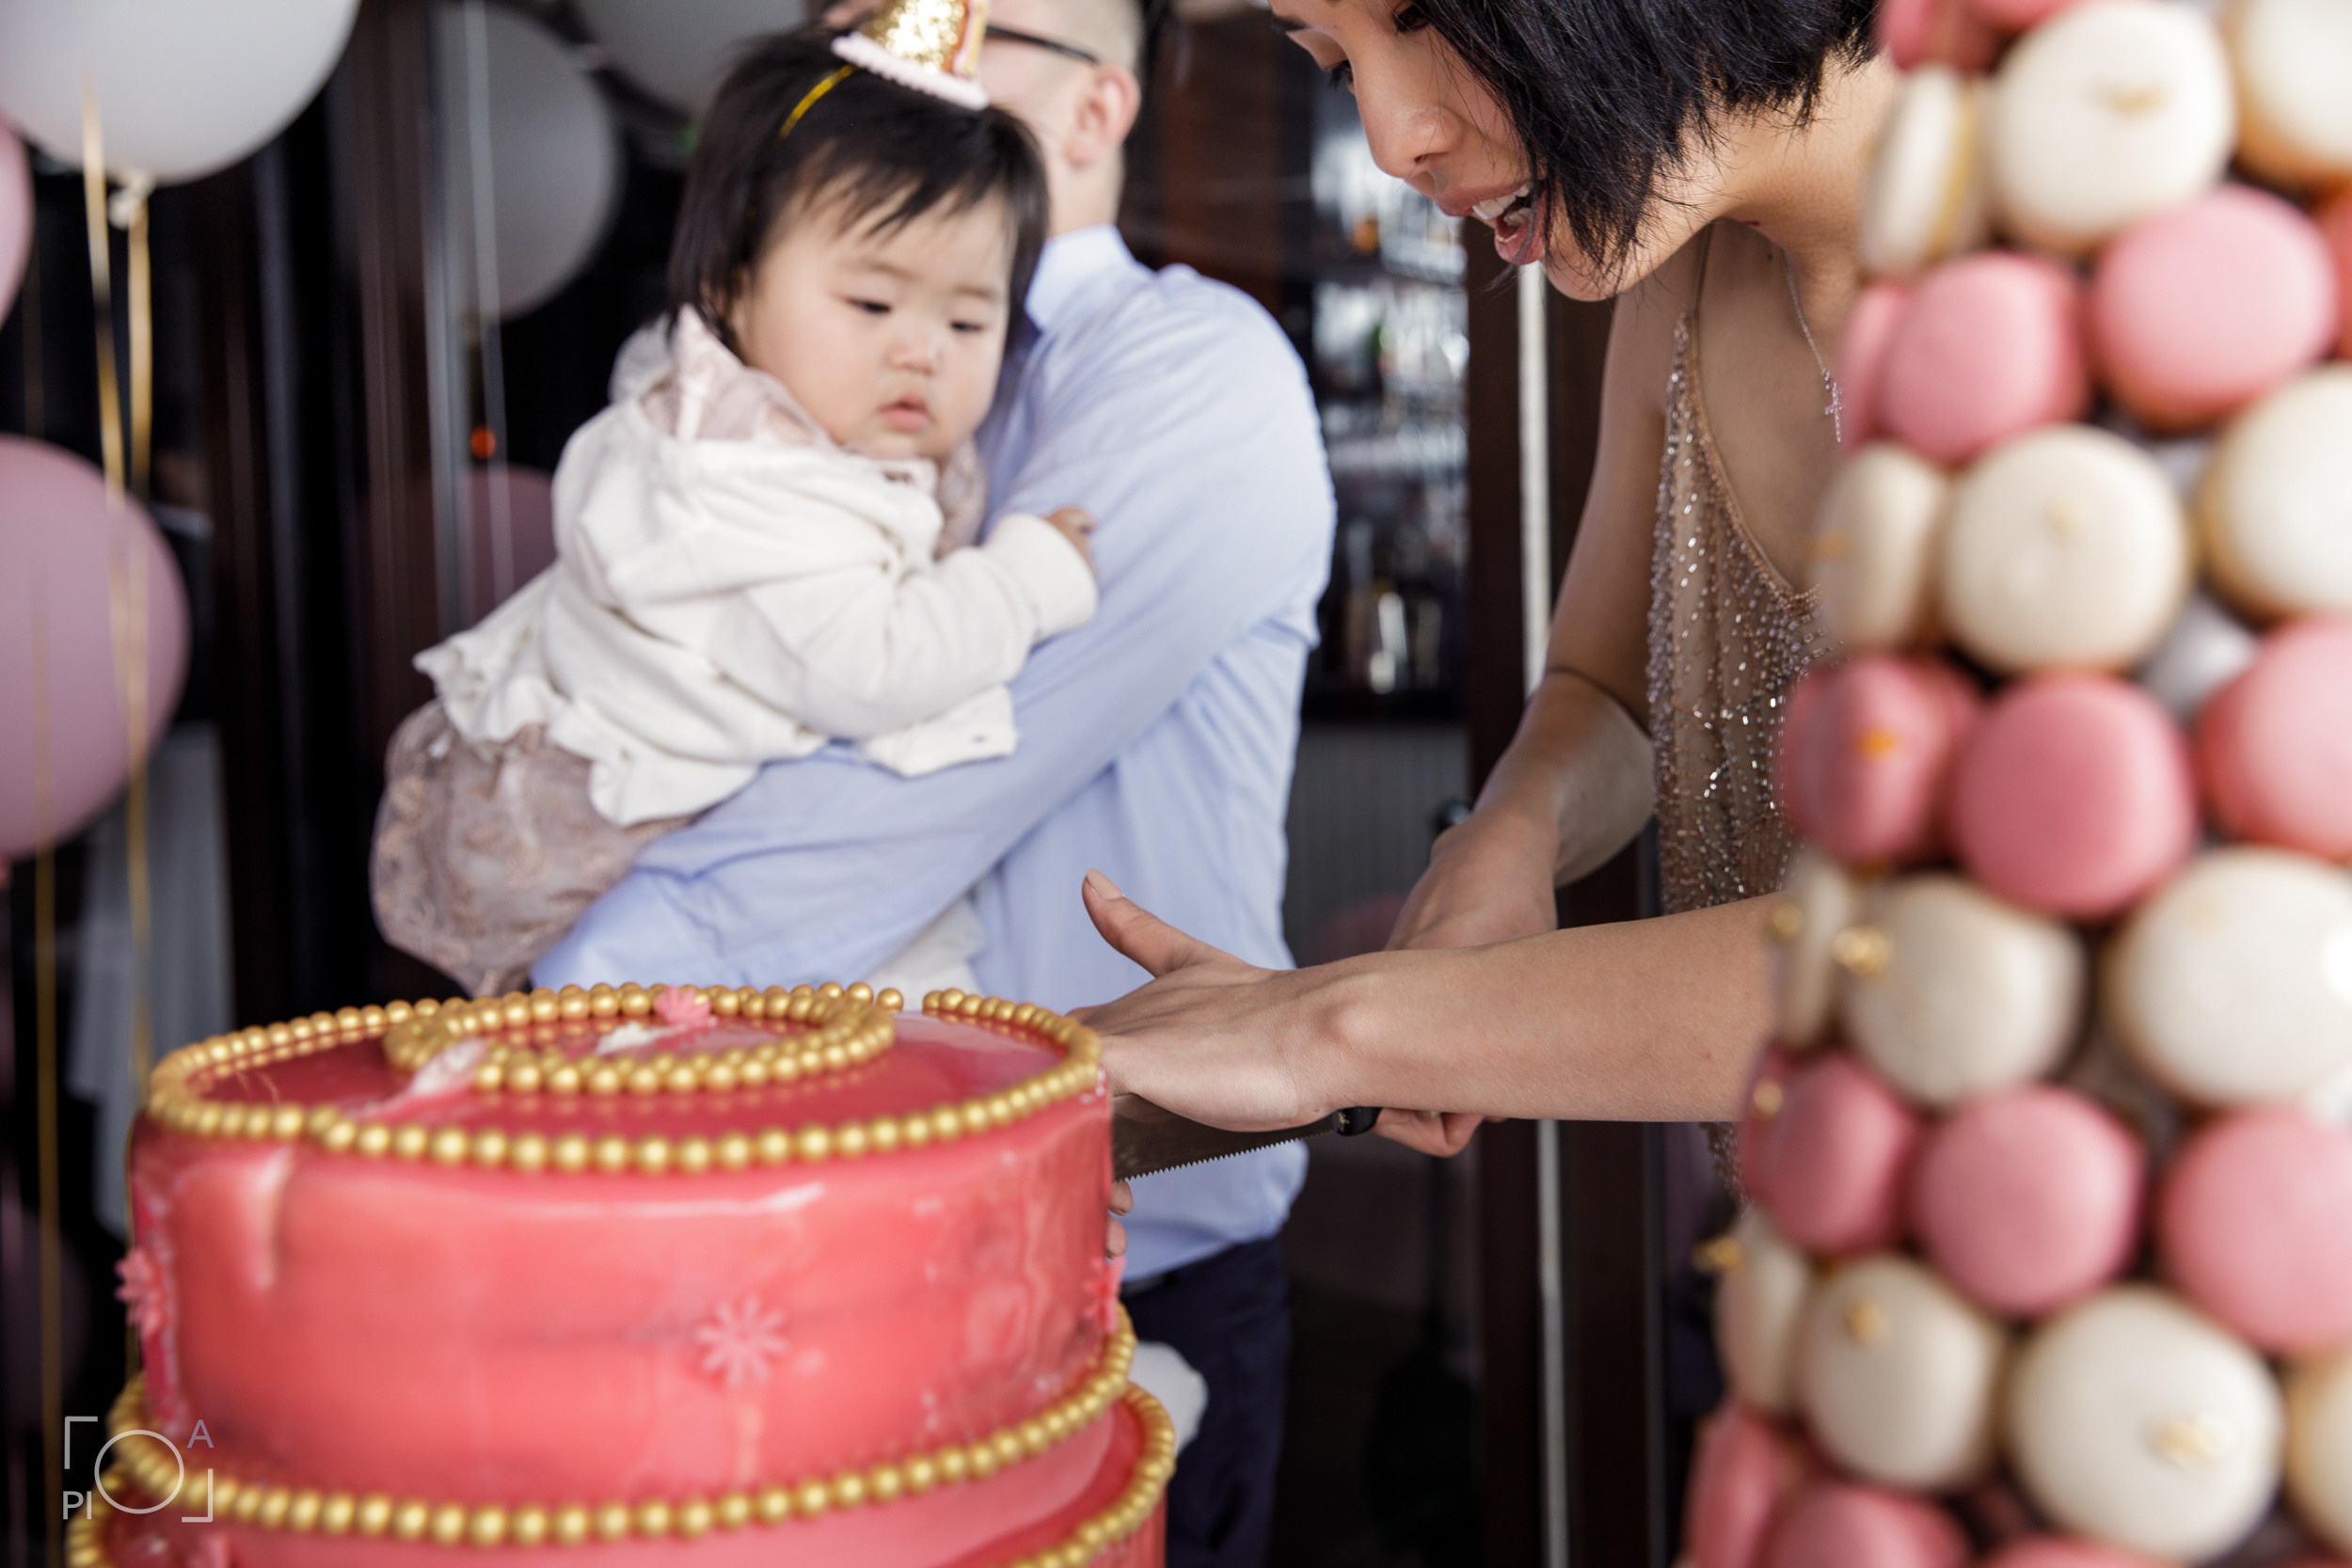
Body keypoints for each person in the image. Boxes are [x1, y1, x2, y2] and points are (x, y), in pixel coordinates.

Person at [532, 1, 1337, 1562]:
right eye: (855, 20)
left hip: (1122, 1245)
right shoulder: (789, 367)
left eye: (956, 21)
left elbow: (917, 789)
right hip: (843, 1241)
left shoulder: (1194, 375)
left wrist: (578, 995)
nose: (885, 60)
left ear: (1097, 112)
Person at [1074, 0, 1894, 1145]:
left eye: (1421, 20)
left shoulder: (2118, 261)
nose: (1390, 142)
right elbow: (1611, 692)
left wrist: (1322, 1027)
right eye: (1335, 68)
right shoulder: (1686, 284)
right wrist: (1509, 833)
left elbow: (1949, 964)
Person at [373, 28, 1100, 1001]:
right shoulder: (733, 482)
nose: (922, 349)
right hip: (619, 883)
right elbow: (874, 664)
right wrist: (1026, 576)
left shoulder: (803, 442)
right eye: (872, 302)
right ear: (729, 288)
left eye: (967, 321)